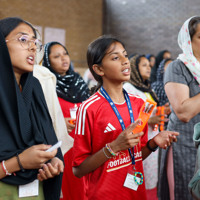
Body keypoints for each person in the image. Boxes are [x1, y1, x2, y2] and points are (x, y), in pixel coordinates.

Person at [72, 35, 179, 200]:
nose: (125, 61)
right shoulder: (88, 108)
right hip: (104, 195)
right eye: (116, 57)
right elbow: (78, 170)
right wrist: (114, 147)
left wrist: (152, 143)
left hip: (134, 191)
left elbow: (135, 154)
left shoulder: (138, 104)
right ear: (99, 69)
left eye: (125, 55)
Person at [0, 17, 64, 200]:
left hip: (36, 191)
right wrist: (17, 162)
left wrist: (52, 162)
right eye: (23, 39)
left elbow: (47, 138)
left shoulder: (33, 87)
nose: (32, 47)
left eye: (35, 42)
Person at [158, 16, 200, 200]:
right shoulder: (178, 67)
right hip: (185, 145)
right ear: (188, 41)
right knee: (185, 194)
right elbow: (184, 112)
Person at [42, 41, 90, 200]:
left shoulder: (79, 81)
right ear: (47, 61)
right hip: (63, 147)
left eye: (65, 54)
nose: (64, 59)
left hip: (84, 144)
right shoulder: (47, 85)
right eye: (56, 56)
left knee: (84, 188)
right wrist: (61, 121)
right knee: (68, 188)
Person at [123, 54, 168, 200]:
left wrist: (162, 111)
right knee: (138, 176)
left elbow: (149, 110)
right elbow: (128, 115)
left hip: (152, 136)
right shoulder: (129, 88)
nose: (148, 67)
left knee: (150, 178)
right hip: (139, 140)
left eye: (149, 65)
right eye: (144, 65)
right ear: (134, 68)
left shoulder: (147, 88)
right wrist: (150, 120)